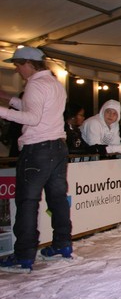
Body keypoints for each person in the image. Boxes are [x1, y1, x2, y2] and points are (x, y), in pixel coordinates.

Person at [0, 47, 73, 272]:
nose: (17, 70)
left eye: (18, 65)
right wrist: (9, 99)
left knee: (28, 202)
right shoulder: (55, 84)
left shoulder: (35, 84)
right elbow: (37, 109)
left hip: (37, 149)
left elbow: (32, 117)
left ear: (29, 64)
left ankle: (24, 255)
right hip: (58, 148)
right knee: (58, 199)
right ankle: (62, 244)